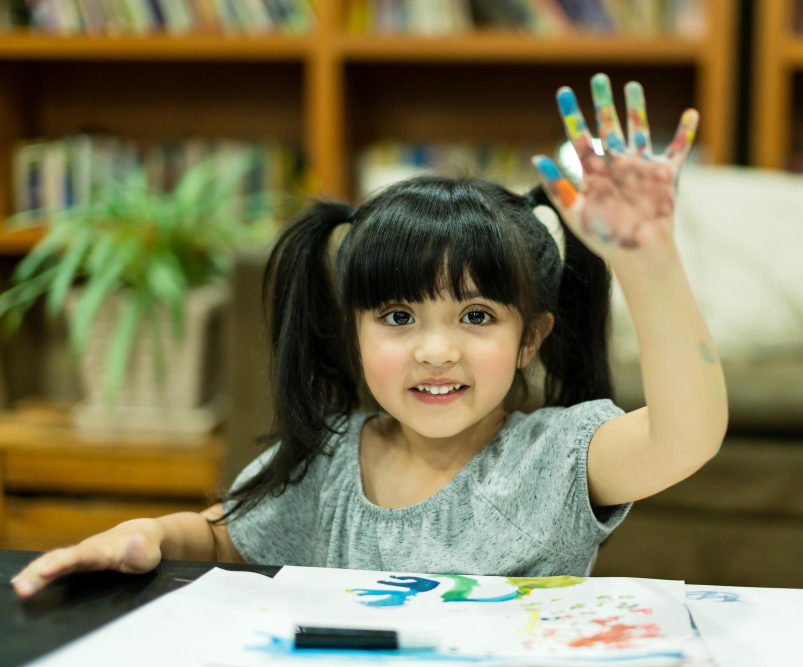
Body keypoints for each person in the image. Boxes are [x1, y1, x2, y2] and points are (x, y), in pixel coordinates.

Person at [10, 73, 728, 599]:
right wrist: (152, 535)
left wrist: (649, 261)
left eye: (477, 317)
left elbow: (685, 437)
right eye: (398, 317)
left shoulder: (559, 457)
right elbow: (222, 537)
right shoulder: (327, 460)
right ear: (352, 330)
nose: (436, 350)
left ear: (531, 339)